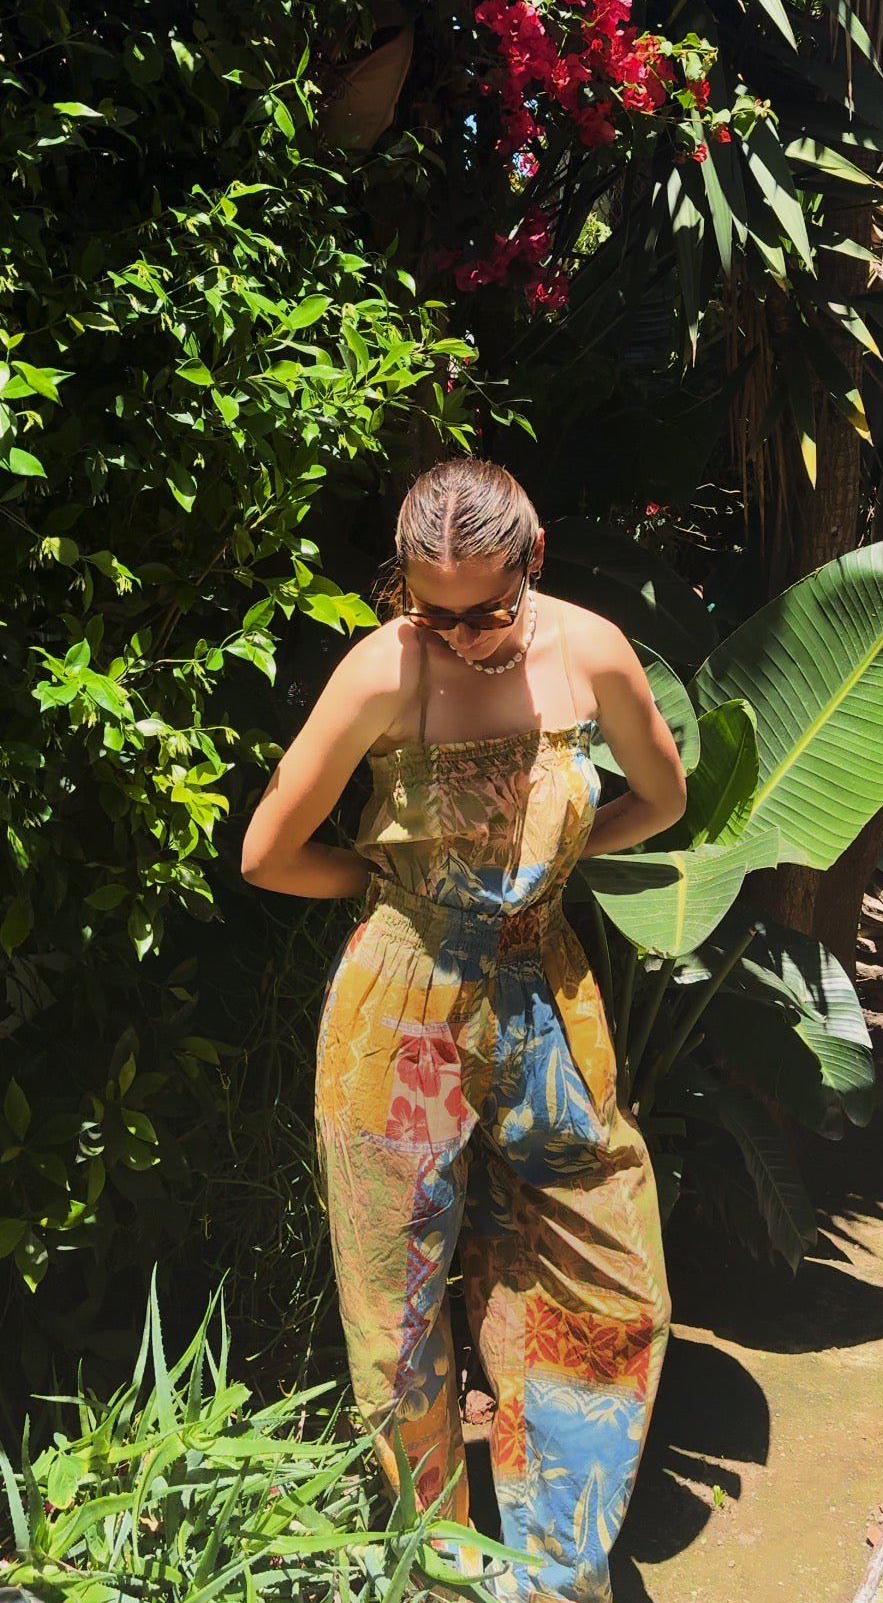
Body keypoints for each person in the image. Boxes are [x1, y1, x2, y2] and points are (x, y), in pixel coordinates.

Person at [242, 458, 687, 1602]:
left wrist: (558, 867)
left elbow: (663, 795)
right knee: (396, 1305)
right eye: (428, 609)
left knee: (613, 1274)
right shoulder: (381, 669)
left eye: (483, 611)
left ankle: (551, 1562)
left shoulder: (589, 651)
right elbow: (267, 852)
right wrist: (391, 890)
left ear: (531, 559)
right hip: (407, 1014)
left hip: (544, 997)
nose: (456, 636)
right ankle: (440, 1567)